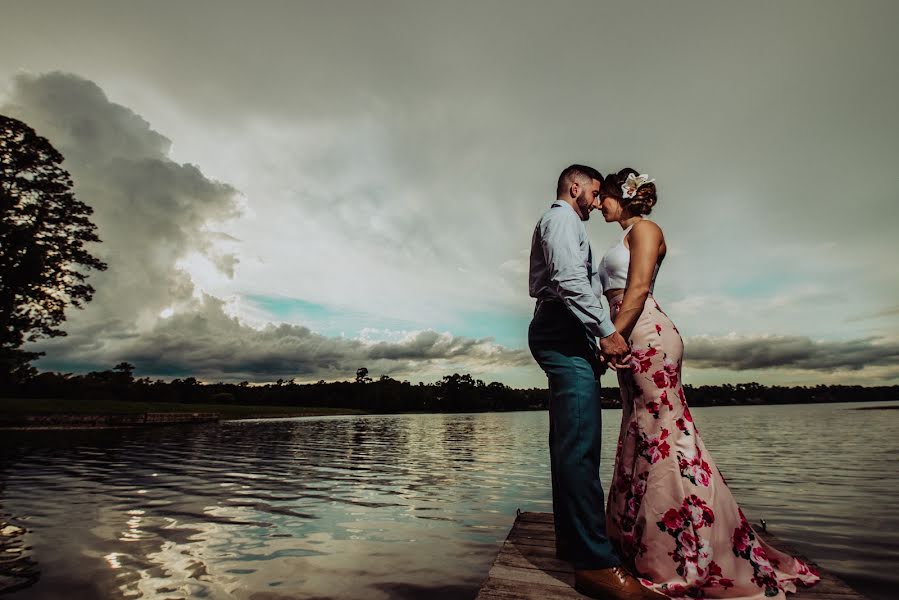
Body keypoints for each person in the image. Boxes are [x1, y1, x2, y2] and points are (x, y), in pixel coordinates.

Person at [595, 168, 821, 599]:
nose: (600, 204)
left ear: (620, 195)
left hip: (645, 334)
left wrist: (613, 339)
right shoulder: (625, 232)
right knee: (641, 435)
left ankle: (683, 552)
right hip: (628, 334)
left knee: (663, 438)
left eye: (604, 196)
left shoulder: (646, 229)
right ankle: (643, 543)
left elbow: (639, 287)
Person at [528, 164, 665, 600]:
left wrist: (594, 337)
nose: (595, 199)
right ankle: (593, 564)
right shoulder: (561, 218)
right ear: (575, 187)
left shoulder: (567, 223)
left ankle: (581, 548)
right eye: (591, 191)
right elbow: (569, 279)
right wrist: (606, 333)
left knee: (573, 444)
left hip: (569, 333)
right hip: (562, 331)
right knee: (579, 445)